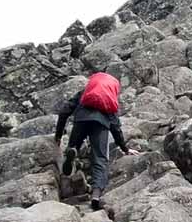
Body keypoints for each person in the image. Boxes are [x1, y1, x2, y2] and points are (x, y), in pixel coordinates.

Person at [55, 73, 135, 210]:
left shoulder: (85, 93)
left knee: (73, 145)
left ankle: (72, 151)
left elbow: (64, 111)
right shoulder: (109, 99)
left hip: (80, 120)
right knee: (100, 159)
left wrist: (58, 135)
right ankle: (96, 195)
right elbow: (116, 127)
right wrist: (125, 148)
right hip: (101, 124)